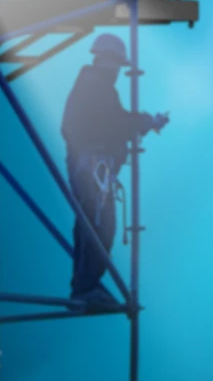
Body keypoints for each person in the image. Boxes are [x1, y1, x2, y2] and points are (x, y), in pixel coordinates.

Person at [61, 33, 169, 309]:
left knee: (90, 226)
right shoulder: (97, 86)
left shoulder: (91, 84)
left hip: (88, 167)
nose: (118, 70)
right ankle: (86, 288)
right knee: (101, 226)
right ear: (107, 60)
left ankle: (84, 286)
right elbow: (115, 121)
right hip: (93, 169)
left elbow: (110, 121)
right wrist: (146, 121)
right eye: (117, 63)